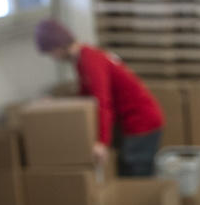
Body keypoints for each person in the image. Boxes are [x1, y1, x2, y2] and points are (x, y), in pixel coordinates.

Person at [34, 19, 165, 176]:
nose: (53, 58)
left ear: (56, 46)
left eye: (49, 53)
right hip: (134, 121)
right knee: (130, 172)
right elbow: (85, 99)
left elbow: (102, 102)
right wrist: (56, 105)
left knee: (136, 176)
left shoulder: (91, 61)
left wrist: (102, 142)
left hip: (141, 122)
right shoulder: (83, 59)